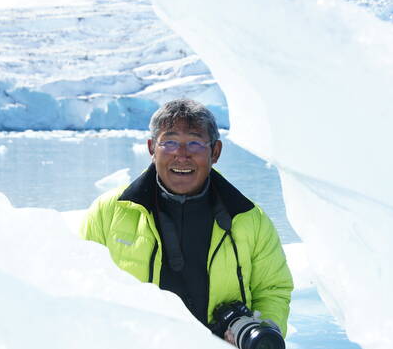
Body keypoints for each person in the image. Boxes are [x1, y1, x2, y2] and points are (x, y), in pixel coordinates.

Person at [80, 98, 293, 344]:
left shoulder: (248, 219)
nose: (182, 155)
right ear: (151, 148)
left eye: (195, 143)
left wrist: (260, 332)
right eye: (169, 143)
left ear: (215, 152)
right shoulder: (108, 213)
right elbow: (82, 284)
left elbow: (272, 289)